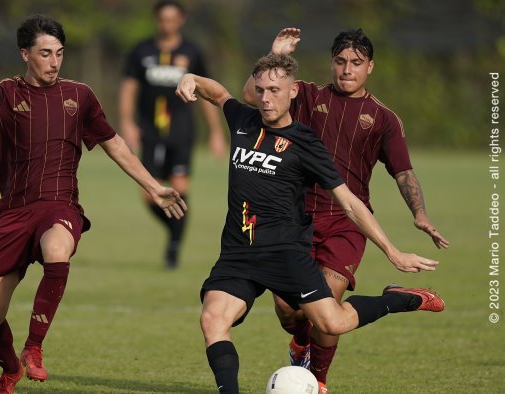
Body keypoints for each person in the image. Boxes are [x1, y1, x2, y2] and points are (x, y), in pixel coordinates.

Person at [0, 14, 187, 394]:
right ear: (25, 54)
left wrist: (153, 186)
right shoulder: (2, 94)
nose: (54, 61)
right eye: (45, 53)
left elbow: (113, 143)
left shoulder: (79, 96)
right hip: (13, 212)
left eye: (60, 53)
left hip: (60, 205)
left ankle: (34, 347)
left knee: (56, 250)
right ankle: (10, 370)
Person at [175, 54, 444, 394]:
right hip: (238, 254)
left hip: (287, 255)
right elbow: (218, 93)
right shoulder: (243, 120)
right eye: (260, 90)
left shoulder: (305, 143)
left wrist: (393, 252)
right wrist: (192, 81)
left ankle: (397, 299)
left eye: (275, 90)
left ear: (292, 93)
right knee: (212, 320)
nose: (266, 98)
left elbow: (349, 202)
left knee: (331, 322)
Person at [241, 28, 450, 392]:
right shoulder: (306, 95)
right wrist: (275, 55)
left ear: (370, 66)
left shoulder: (383, 118)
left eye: (356, 63)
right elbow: (249, 94)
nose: (347, 70)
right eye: (340, 61)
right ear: (331, 63)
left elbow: (403, 172)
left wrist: (419, 213)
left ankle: (318, 382)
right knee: (289, 311)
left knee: (327, 313)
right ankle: (303, 341)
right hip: (294, 219)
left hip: (346, 224)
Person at [119, 0, 226, 269]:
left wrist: (216, 132)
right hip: (151, 132)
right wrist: (127, 123)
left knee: (180, 188)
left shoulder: (192, 52)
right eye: (162, 19)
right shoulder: (141, 51)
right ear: (157, 20)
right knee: (149, 193)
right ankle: (176, 229)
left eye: (172, 19)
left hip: (181, 132)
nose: (167, 24)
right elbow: (129, 89)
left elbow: (205, 94)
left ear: (181, 21)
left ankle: (173, 249)